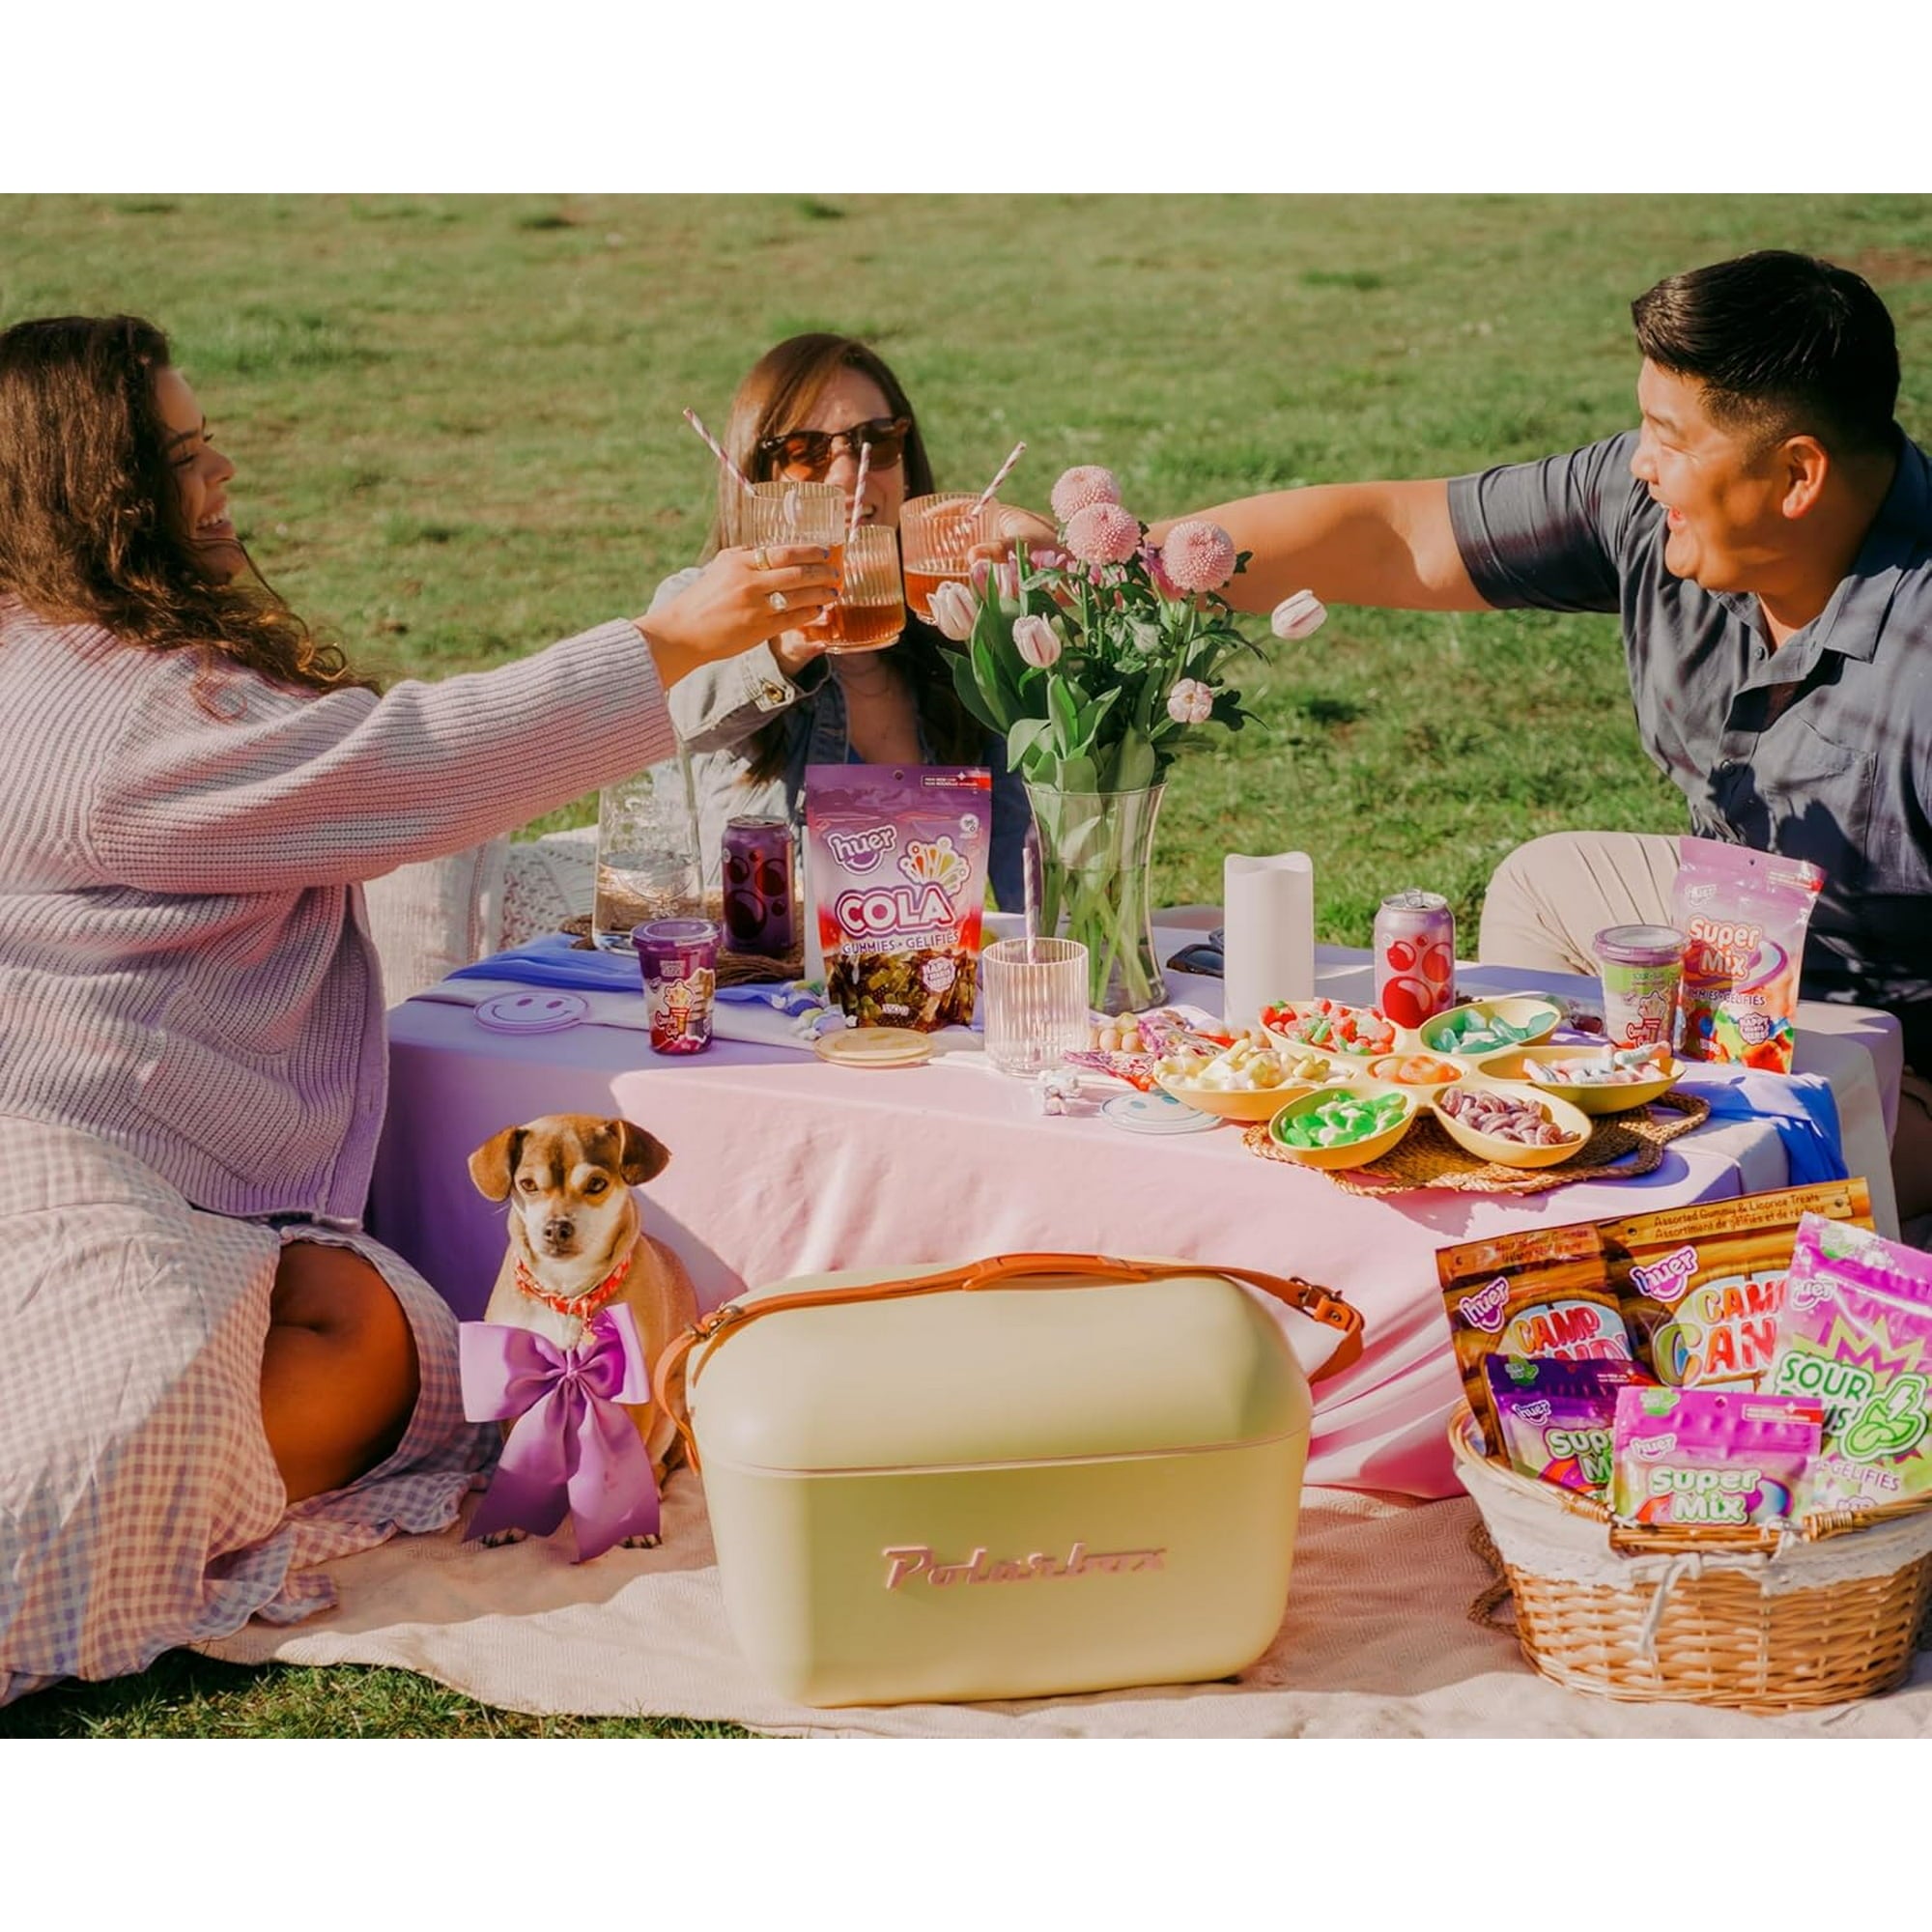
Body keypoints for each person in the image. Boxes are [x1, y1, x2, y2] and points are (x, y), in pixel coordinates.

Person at [0, 314, 838, 1706]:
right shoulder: (108, 733)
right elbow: (411, 771)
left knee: (379, 1331)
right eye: (186, 455)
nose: (222, 480)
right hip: (76, 1163)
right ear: (100, 493)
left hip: (190, 1190)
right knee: (130, 1414)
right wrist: (671, 638)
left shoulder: (62, 655)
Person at [1151, 250, 1932, 1222]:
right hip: (1738, 948)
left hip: (1890, 1046)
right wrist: (1132, 566)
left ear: (1795, 475)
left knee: (1737, 1177)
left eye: (1666, 436)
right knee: (1546, 880)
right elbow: (1397, 535)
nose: (1638, 462)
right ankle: (1552, 1215)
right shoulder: (1650, 509)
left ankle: (1705, 1235)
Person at [661, 333, 1031, 911]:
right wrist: (783, 645)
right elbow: (676, 718)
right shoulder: (702, 601)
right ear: (759, 476)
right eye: (808, 450)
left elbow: (1024, 845)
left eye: (876, 442)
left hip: (927, 986)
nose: (847, 474)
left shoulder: (954, 614)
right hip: (760, 988)